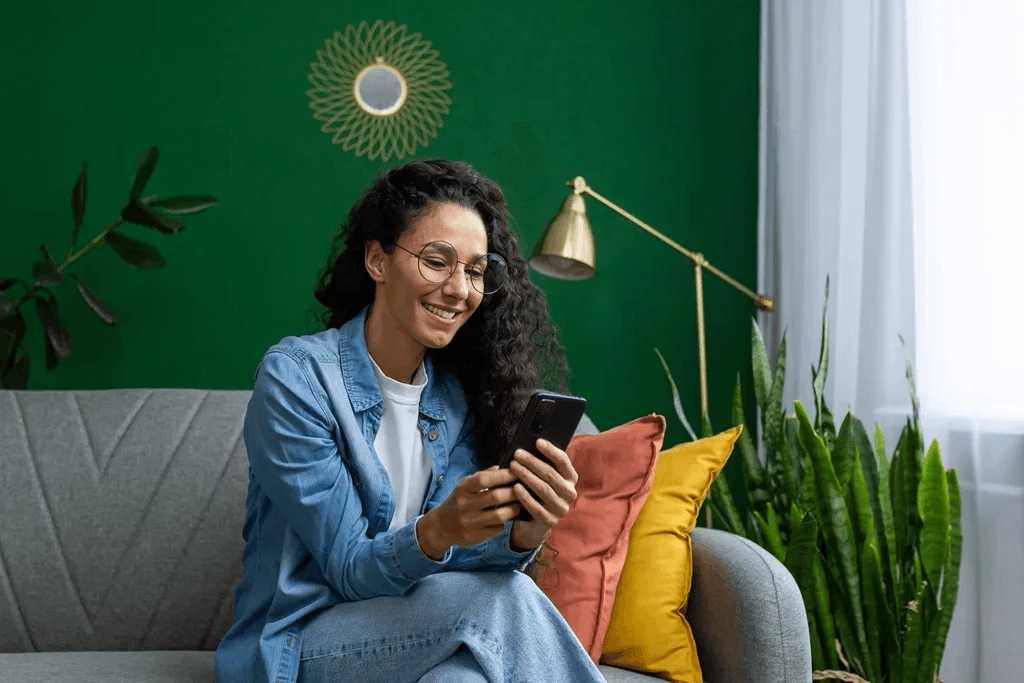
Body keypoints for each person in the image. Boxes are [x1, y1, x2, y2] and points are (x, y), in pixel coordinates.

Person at [214, 160, 606, 683]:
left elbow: (459, 569)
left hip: (411, 633)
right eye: (437, 260)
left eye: (474, 270)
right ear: (378, 259)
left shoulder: (453, 399)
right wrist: (439, 529)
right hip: (302, 644)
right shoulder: (297, 379)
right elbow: (351, 568)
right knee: (503, 600)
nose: (460, 289)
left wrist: (524, 532)